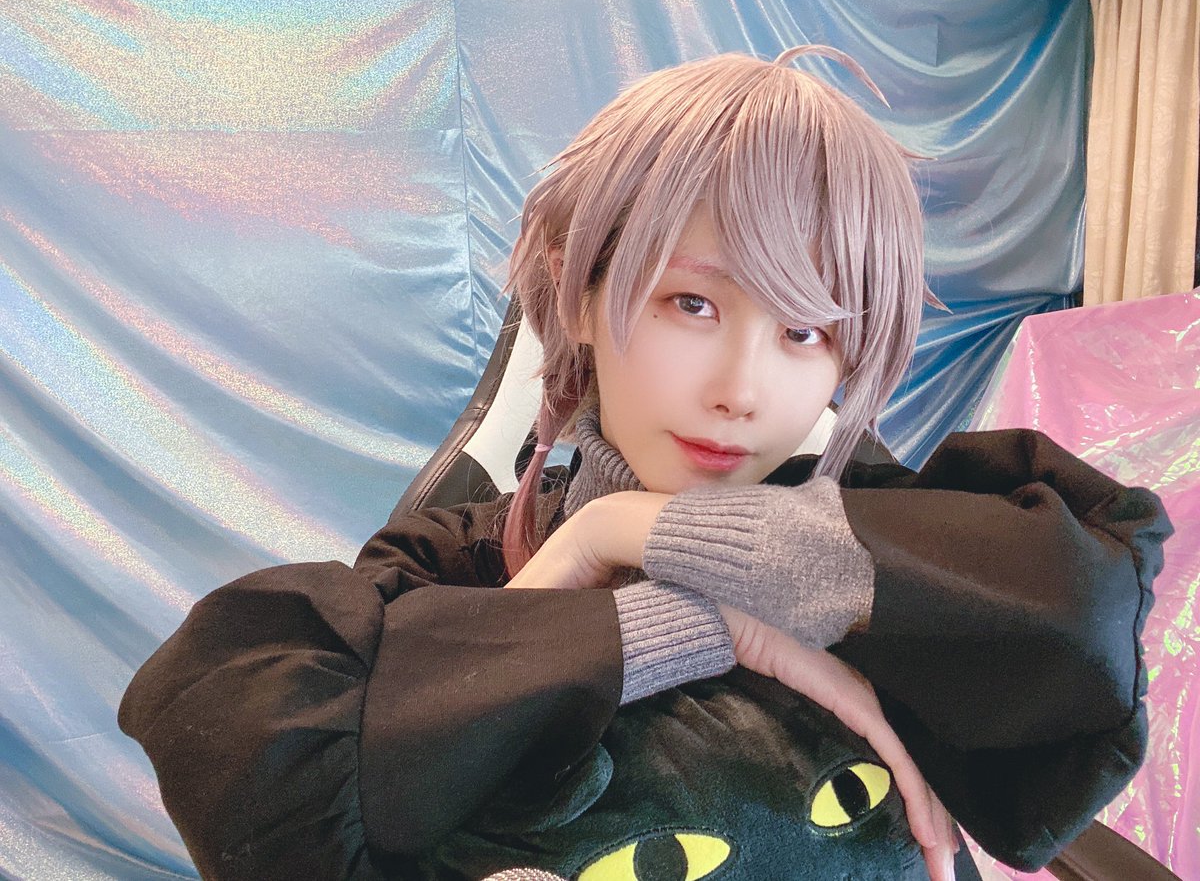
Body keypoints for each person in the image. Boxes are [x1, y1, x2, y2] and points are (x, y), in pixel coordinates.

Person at [118, 46, 1173, 881]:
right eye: (692, 303)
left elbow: (1084, 613)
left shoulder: (861, 529)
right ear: (581, 293)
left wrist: (654, 536)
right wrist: (664, 610)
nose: (742, 388)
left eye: (805, 331)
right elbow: (240, 748)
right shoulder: (464, 551)